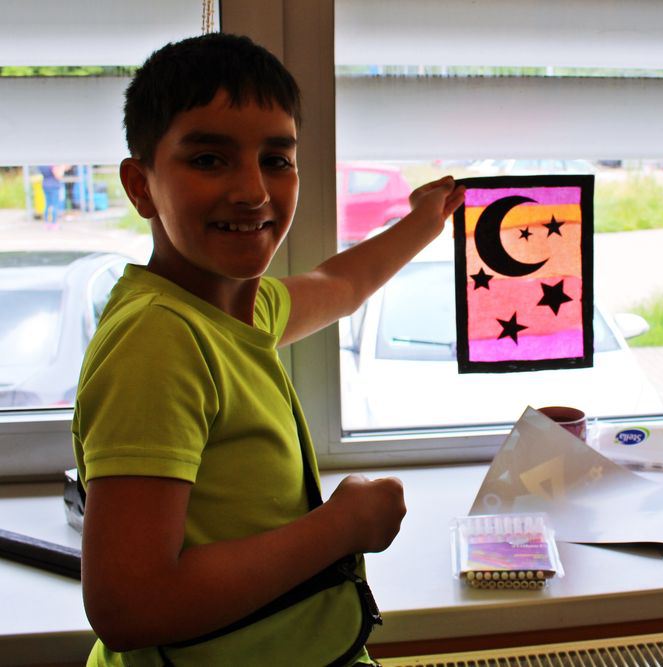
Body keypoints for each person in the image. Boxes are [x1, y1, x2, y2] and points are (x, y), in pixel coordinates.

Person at [71, 33, 464, 666]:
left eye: (276, 159)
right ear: (141, 187)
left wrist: (424, 219)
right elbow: (130, 606)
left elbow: (340, 285)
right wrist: (343, 526)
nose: (253, 191)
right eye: (209, 159)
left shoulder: (239, 310)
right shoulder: (159, 341)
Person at [39, 163, 68, 228]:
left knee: (47, 205)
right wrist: (62, 167)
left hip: (45, 184)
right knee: (54, 205)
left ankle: (46, 223)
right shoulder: (52, 164)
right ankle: (53, 223)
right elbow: (58, 175)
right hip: (54, 185)